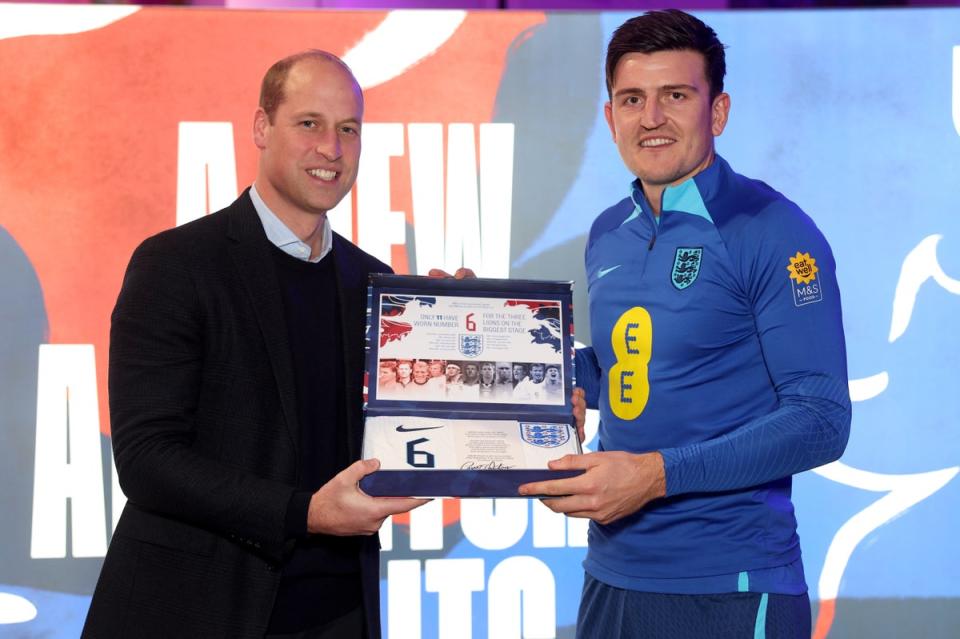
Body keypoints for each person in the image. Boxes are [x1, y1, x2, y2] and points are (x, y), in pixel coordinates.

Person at [519, 10, 851, 638]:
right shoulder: (609, 231)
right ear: (611, 116)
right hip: (612, 577)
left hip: (731, 589)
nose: (651, 117)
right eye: (632, 99)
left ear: (717, 112)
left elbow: (822, 419)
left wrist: (655, 476)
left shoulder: (773, 231)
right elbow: (625, 363)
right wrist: (489, 341)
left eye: (675, 95)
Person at [82, 50, 429, 639]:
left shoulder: (378, 289)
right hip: (197, 609)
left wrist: (476, 361)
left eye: (349, 129)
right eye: (309, 124)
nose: (332, 149)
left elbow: (412, 432)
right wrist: (304, 513)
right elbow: (146, 460)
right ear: (262, 128)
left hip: (339, 610)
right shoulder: (175, 264)